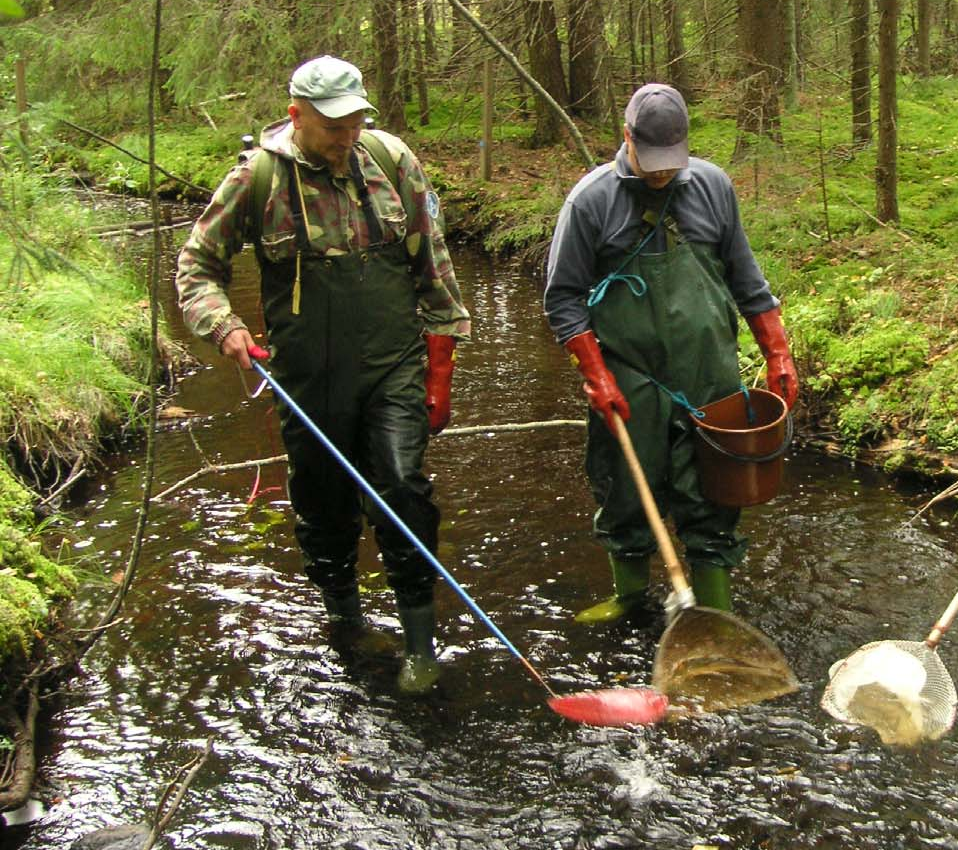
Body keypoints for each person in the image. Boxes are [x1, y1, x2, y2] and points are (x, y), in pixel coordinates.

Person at [176, 55, 471, 693]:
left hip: (394, 366)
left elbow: (438, 275)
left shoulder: (392, 163)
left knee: (402, 490)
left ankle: (420, 646)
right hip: (307, 379)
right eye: (333, 125)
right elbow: (197, 265)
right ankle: (347, 623)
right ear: (296, 116)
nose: (346, 136)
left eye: (355, 121)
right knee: (323, 506)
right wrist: (226, 328)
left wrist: (438, 379)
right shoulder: (258, 178)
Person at [543, 83, 797, 623]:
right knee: (627, 491)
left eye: (671, 162)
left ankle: (717, 614)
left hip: (709, 373)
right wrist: (596, 377)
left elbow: (748, 281)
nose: (662, 173)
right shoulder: (589, 202)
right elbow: (563, 300)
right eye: (652, 161)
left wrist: (778, 353)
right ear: (627, 138)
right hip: (629, 377)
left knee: (715, 493)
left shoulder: (711, 187)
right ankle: (630, 599)